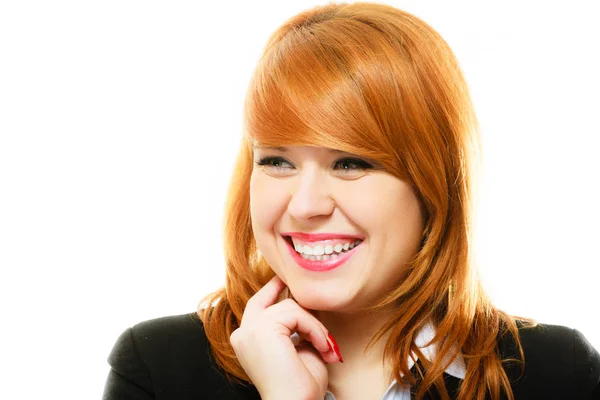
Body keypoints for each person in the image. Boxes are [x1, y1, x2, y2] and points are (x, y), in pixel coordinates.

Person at [102, 2, 600, 399]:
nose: (305, 204)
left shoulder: (558, 375)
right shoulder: (159, 370)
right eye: (277, 161)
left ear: (433, 182)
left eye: (351, 162)